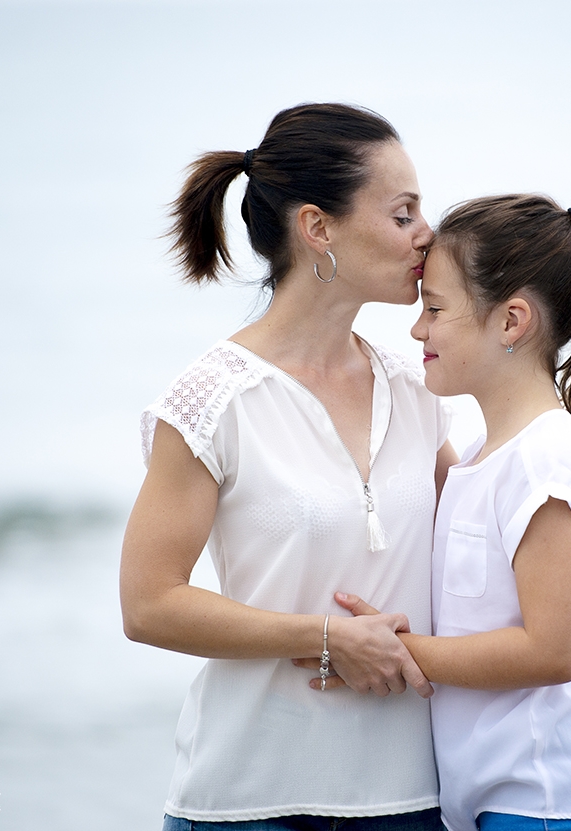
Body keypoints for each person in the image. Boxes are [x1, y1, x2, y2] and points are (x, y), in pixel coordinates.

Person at [119, 103, 457, 831]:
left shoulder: (416, 386)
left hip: (410, 799)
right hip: (248, 802)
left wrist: (562, 458)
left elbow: (476, 530)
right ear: (317, 228)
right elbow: (148, 604)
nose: (427, 233)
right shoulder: (211, 399)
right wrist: (327, 637)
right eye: (403, 214)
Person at [311, 195, 571, 831]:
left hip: (560, 799)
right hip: (511, 800)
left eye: (436, 309)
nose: (418, 329)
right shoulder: (485, 455)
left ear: (511, 322)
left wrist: (397, 651)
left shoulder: (548, 456)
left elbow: (554, 651)